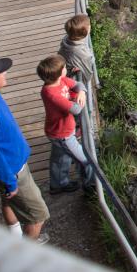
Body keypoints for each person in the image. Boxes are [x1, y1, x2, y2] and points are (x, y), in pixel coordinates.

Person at [0, 55, 49, 241]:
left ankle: (15, 237)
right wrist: (10, 182)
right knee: (38, 216)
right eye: (0, 72)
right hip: (13, 173)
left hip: (12, 167)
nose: (5, 73)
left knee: (9, 201)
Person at [37, 54, 94, 195]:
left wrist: (80, 92)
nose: (65, 69)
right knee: (86, 160)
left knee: (60, 158)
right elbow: (76, 109)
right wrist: (79, 95)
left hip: (60, 130)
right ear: (58, 73)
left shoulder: (61, 81)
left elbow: (77, 85)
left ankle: (58, 184)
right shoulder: (50, 93)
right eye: (64, 68)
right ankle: (90, 186)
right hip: (62, 134)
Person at [58, 13, 96, 87]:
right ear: (85, 32)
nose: (90, 26)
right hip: (68, 78)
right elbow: (87, 75)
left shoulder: (67, 38)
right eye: (89, 26)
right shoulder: (83, 54)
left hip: (61, 69)